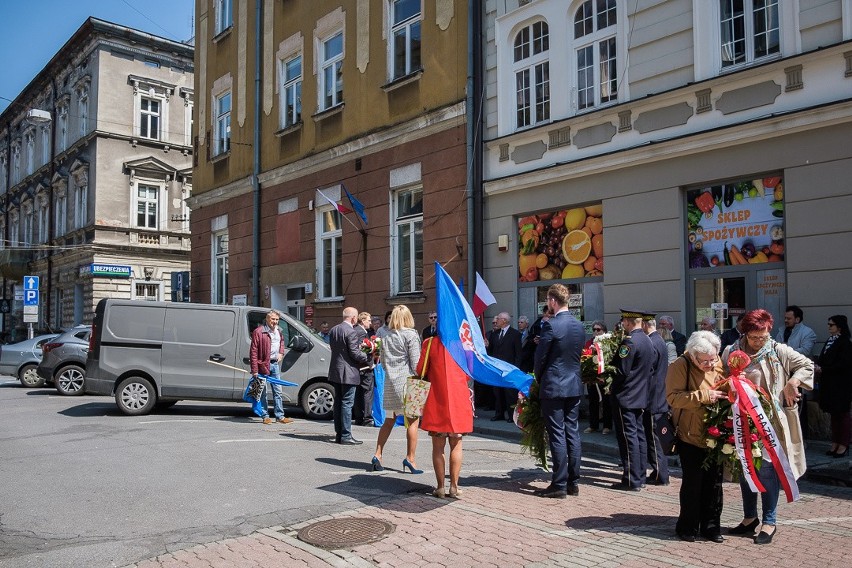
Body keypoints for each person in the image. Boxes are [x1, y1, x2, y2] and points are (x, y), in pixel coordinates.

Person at [722, 309, 813, 545]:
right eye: (754, 337)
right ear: (745, 333)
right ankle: (749, 518)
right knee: (744, 469)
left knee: (767, 471)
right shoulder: (732, 352)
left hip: (769, 423)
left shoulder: (777, 350)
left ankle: (769, 521)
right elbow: (721, 378)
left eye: (763, 336)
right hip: (741, 421)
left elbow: (807, 365)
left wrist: (793, 381)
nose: (760, 341)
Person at [666, 331, 728, 543]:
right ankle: (688, 526)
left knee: (714, 483)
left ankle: (711, 527)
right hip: (690, 434)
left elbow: (725, 385)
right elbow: (673, 398)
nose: (710, 364)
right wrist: (703, 396)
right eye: (704, 361)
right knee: (693, 483)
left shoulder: (717, 362)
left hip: (716, 432)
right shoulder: (679, 366)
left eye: (713, 359)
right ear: (693, 355)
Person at [533, 284, 585, 498]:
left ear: (553, 301)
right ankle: (573, 481)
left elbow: (540, 358)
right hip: (573, 384)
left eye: (548, 300)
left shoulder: (551, 326)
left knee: (557, 434)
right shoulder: (578, 325)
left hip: (554, 385)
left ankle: (560, 483)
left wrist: (538, 378)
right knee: (572, 431)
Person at [418, 335, 474, 498]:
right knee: (456, 444)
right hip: (458, 398)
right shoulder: (463, 343)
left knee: (438, 446)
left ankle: (441, 487)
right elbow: (469, 372)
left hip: (437, 397)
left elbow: (420, 370)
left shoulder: (429, 343)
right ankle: (454, 487)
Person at [372, 305, 423, 473]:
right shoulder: (411, 334)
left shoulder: (382, 333)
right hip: (409, 381)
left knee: (389, 421)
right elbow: (416, 364)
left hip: (390, 382)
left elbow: (379, 356)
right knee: (413, 422)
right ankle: (410, 458)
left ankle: (378, 454)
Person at [609, 309, 653, 491]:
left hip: (625, 396)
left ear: (628, 322)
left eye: (624, 321)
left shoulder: (630, 342)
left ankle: (631, 479)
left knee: (628, 438)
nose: (623, 324)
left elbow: (621, 370)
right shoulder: (647, 340)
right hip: (640, 395)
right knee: (638, 435)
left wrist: (605, 374)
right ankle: (640, 475)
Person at [327, 307, 371, 445]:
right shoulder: (351, 331)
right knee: (346, 403)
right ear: (353, 318)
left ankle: (339, 433)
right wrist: (369, 355)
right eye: (356, 318)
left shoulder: (334, 329)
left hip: (336, 370)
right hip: (348, 372)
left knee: (339, 402)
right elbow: (355, 354)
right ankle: (346, 435)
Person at [815, 315, 852, 457]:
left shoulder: (845, 343)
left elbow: (843, 364)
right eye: (828, 324)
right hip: (829, 384)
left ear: (839, 327)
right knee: (834, 414)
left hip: (841, 385)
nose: (829, 327)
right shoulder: (830, 341)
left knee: (843, 414)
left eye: (832, 325)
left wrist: (824, 369)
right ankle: (835, 442)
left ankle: (843, 444)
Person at [249, 310, 292, 425]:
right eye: (273, 319)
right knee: (263, 392)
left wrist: (281, 353)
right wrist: (254, 370)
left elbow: (282, 342)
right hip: (262, 365)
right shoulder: (258, 332)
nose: (275, 322)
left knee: (278, 391)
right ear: (267, 319)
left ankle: (280, 416)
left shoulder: (279, 331)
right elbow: (253, 352)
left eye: (277, 319)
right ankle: (265, 416)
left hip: (274, 365)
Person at [642, 315, 671, 486]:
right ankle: (658, 471)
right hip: (659, 395)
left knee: (654, 439)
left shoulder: (652, 342)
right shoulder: (659, 340)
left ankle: (661, 474)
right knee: (655, 437)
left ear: (645, 324)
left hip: (654, 397)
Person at [486, 311, 523, 422]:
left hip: (509, 369)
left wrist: (515, 368)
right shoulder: (495, 334)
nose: (496, 321)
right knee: (497, 393)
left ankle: (511, 415)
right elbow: (491, 351)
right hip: (497, 369)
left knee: (510, 393)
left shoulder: (515, 334)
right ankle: (499, 413)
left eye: (498, 319)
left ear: (505, 321)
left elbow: (518, 354)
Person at [583, 321, 612, 434]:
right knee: (592, 401)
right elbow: (584, 357)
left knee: (606, 402)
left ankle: (607, 426)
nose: (595, 331)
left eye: (598, 329)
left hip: (604, 377)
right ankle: (593, 425)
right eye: (594, 329)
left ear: (604, 331)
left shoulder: (608, 342)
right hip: (592, 377)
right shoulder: (589, 342)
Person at [352, 312, 376, 427]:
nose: (370, 322)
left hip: (356, 367)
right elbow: (363, 350)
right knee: (367, 392)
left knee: (358, 393)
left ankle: (358, 417)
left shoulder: (355, 330)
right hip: (364, 367)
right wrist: (371, 363)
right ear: (362, 321)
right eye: (369, 320)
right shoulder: (361, 333)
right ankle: (367, 418)